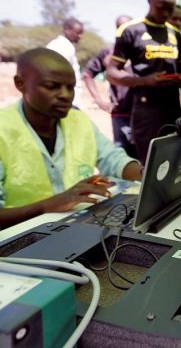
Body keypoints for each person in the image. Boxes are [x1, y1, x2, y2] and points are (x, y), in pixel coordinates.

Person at [0, 48, 142, 229]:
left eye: (70, 87)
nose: (65, 95)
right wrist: (47, 206)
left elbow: (113, 159)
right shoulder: (3, 129)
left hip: (75, 226)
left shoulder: (78, 120)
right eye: (52, 87)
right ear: (20, 84)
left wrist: (149, 175)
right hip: (18, 239)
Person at [106, 0, 181, 164]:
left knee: (176, 163)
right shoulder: (131, 30)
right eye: (160, 8)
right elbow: (111, 72)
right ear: (149, 1)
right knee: (150, 165)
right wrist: (144, 81)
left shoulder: (175, 34)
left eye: (170, 9)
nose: (165, 14)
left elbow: (180, 69)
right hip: (146, 109)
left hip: (173, 108)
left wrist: (180, 78)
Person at [82, 15, 137, 158]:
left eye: (128, 27)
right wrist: (99, 100)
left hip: (142, 114)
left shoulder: (142, 52)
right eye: (121, 28)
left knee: (144, 157)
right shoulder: (108, 53)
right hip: (120, 115)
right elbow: (88, 74)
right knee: (122, 156)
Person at [46, 17, 84, 107]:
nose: (80, 36)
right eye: (78, 33)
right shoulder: (62, 47)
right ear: (67, 30)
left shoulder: (64, 45)